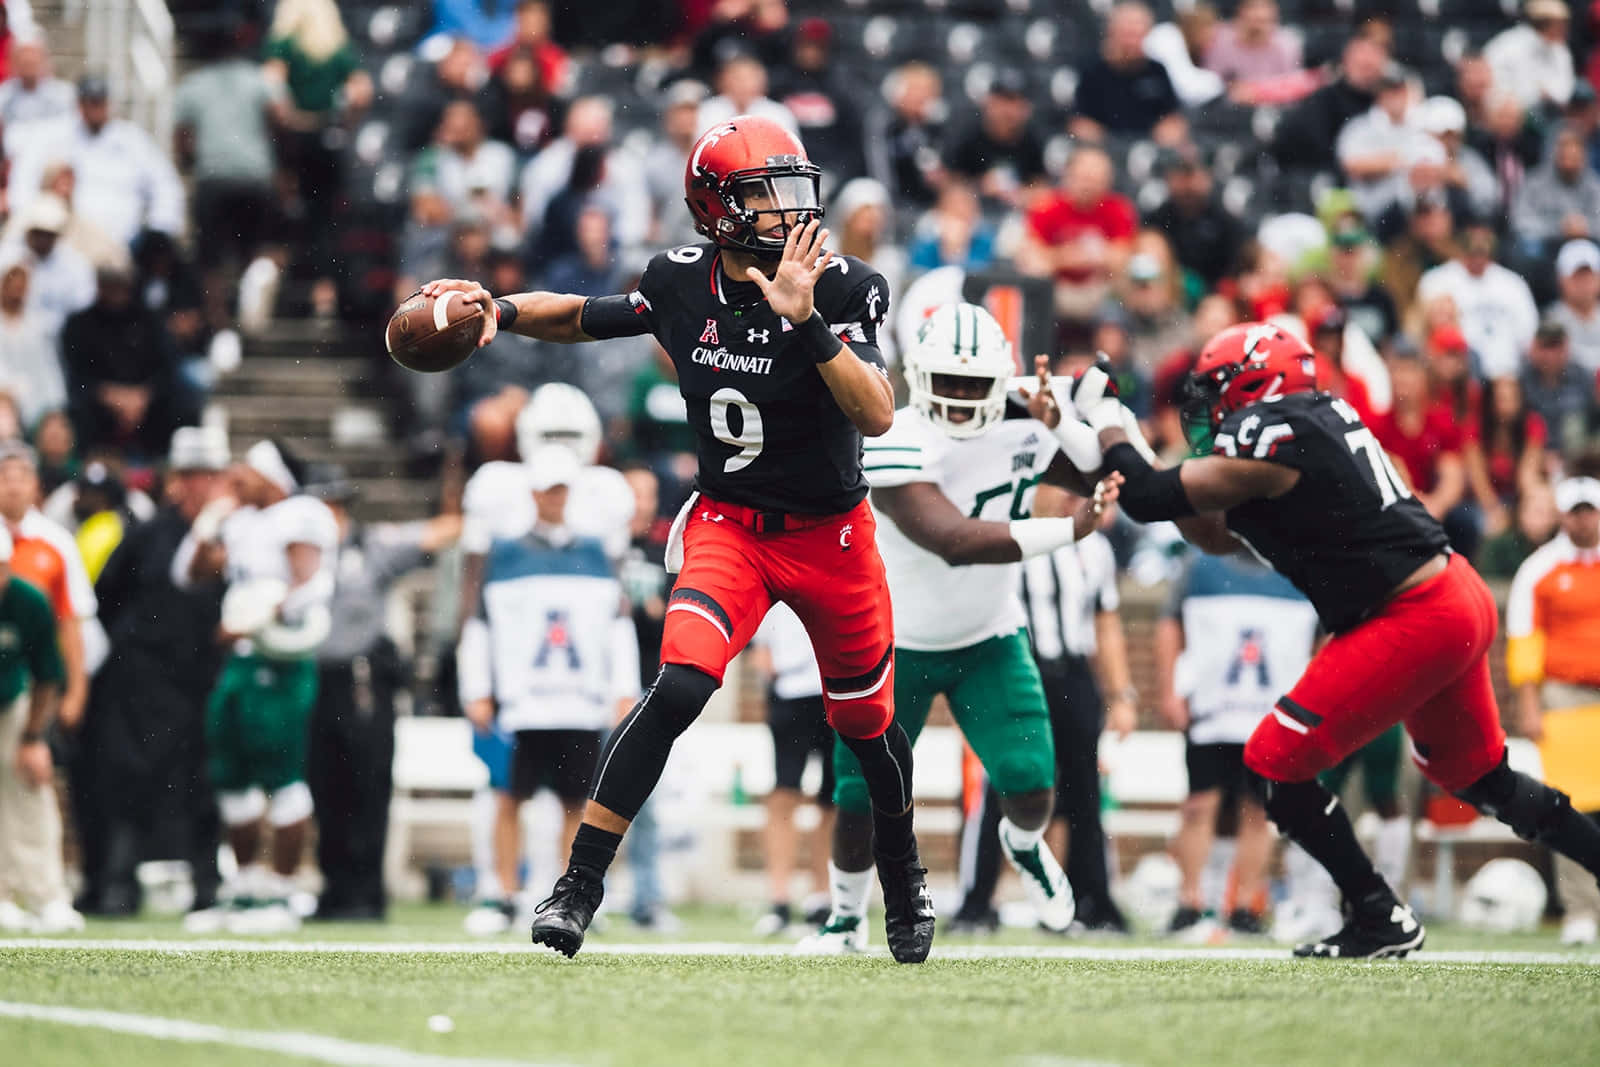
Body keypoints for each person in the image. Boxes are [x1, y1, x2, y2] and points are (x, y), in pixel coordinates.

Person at [422, 116, 935, 963]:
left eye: (791, 188)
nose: (788, 209)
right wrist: (501, 310)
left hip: (830, 533)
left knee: (866, 724)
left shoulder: (845, 286)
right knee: (681, 685)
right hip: (730, 523)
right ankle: (579, 884)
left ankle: (903, 867)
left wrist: (805, 322)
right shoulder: (679, 280)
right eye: (764, 194)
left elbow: (876, 411)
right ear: (717, 210)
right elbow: (585, 316)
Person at [1055, 321, 1600, 958]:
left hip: (1410, 613)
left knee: (1273, 762)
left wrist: (1108, 419)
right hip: (1450, 594)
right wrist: (1086, 438)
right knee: (1482, 778)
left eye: (1223, 389)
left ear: (1260, 384)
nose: (1213, 406)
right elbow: (1206, 530)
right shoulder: (1305, 430)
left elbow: (1148, 498)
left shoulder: (1277, 432)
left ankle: (1377, 914)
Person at [798, 303, 1119, 953]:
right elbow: (953, 538)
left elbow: (1104, 476)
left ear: (1002, 380)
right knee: (859, 796)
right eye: (952, 381)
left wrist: (1072, 426)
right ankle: (843, 917)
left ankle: (1022, 845)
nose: (967, 396)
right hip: (891, 641)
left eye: (978, 383)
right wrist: (1071, 529)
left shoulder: (1024, 424)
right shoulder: (892, 432)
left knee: (1032, 782)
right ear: (920, 376)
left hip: (988, 636)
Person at [457, 446, 636, 935]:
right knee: (507, 797)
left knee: (577, 804)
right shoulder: (505, 552)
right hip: (522, 701)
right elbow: (480, 625)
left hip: (579, 700)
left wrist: (623, 688)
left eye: (562, 489)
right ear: (533, 492)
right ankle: (503, 895)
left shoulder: (595, 551)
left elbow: (616, 624)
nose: (555, 498)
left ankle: (570, 896)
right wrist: (478, 687)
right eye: (548, 489)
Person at [175, 440, 338, 934]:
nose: (233, 480)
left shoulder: (298, 514)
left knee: (281, 772)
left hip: (281, 656)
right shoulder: (242, 520)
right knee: (231, 770)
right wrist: (208, 524)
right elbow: (190, 574)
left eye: (243, 472)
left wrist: (254, 619)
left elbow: (312, 584)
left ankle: (282, 892)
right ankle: (244, 886)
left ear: (269, 476)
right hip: (242, 660)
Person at [74, 426, 230, 918]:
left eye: (207, 475)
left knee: (205, 784)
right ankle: (118, 883)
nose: (198, 485)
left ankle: (208, 887)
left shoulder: (235, 537)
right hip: (142, 680)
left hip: (205, 676)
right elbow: (105, 600)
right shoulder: (147, 535)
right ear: (175, 479)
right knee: (129, 780)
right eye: (189, 475)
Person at [306, 468, 461, 920]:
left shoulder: (373, 546)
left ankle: (367, 891)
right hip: (317, 679)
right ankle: (334, 888)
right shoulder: (300, 552)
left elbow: (442, 532)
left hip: (363, 681)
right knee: (324, 788)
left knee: (367, 787)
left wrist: (452, 496)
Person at [1157, 549, 1317, 937]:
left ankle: (1246, 905)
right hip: (1211, 710)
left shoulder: (1300, 569)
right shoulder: (1198, 567)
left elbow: (1325, 638)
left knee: (1258, 811)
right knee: (1199, 804)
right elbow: (1169, 625)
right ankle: (1190, 902)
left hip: (1272, 715)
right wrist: (1170, 690)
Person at [1506, 473, 1600, 946]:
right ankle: (1581, 909)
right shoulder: (1541, 569)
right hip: (1565, 694)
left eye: (1590, 510)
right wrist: (1530, 705)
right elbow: (1525, 642)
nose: (1584, 519)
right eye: (1576, 510)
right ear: (1564, 515)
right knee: (1575, 805)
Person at [0, 525, 72, 934]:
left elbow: (48, 674)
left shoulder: (28, 602)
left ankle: (46, 896)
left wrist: (32, 739)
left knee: (28, 788)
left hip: (11, 699)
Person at [749, 602, 834, 935]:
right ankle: (779, 899)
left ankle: (823, 897)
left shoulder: (845, 554)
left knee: (833, 798)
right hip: (790, 692)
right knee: (784, 793)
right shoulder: (777, 556)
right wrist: (765, 658)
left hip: (835, 690)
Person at [1070, 1, 1185, 145]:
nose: (1133, 42)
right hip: (1106, 151)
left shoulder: (1156, 70)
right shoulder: (1092, 70)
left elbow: (1173, 119)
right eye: (1128, 35)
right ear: (1112, 32)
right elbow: (1080, 124)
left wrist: (1167, 133)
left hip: (1149, 150)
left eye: (1139, 35)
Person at [1484, 0, 1575, 111]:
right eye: (1559, 24)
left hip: (1550, 110)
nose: (1564, 30)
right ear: (1544, 23)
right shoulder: (1508, 44)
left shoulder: (1560, 50)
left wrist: (1548, 94)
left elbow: (1566, 90)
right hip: (1512, 110)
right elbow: (1494, 80)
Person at [1544, 238, 1600, 374]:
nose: (1583, 283)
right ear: (1561, 279)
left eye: (1588, 275)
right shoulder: (1551, 320)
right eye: (1576, 276)